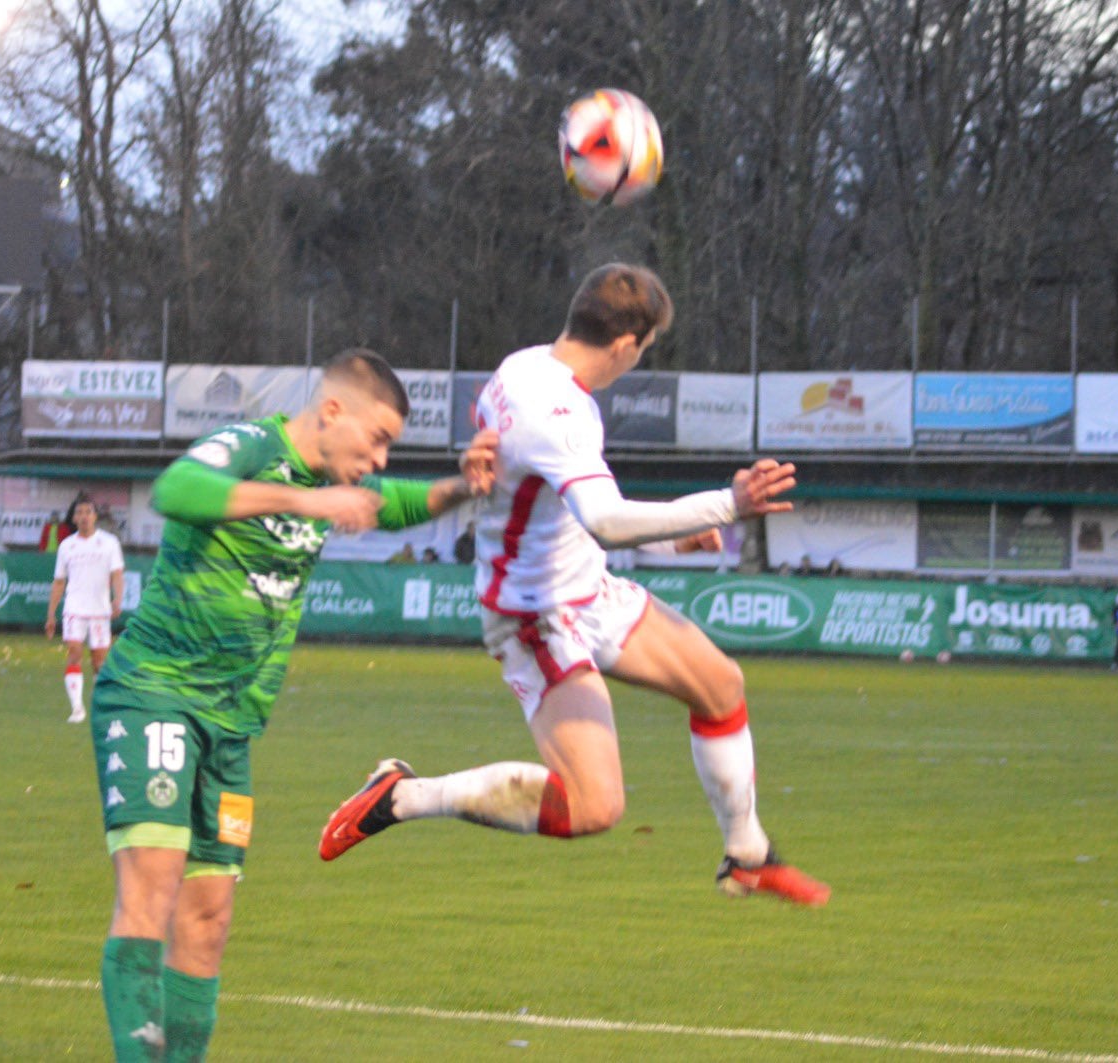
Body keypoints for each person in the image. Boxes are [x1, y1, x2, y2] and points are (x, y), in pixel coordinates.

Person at [320, 263, 829, 907]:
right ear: (624, 344)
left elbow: (551, 498)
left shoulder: (522, 367)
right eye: (644, 349)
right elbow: (608, 520)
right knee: (593, 806)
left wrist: (673, 538)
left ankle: (747, 855)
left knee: (720, 684)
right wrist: (727, 504)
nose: (638, 361)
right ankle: (403, 794)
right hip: (534, 611)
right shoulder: (560, 412)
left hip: (584, 585)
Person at [88, 348, 497, 1061]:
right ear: (332, 410)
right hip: (155, 690)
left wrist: (462, 484)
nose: (378, 459)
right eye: (377, 439)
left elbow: (398, 504)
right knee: (154, 882)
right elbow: (176, 488)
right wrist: (306, 500)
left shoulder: (331, 480)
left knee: (209, 917)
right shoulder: (254, 446)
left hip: (230, 724)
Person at [46, 495, 126, 723]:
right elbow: (59, 581)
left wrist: (117, 599)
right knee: (74, 654)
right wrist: (51, 614)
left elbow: (117, 574)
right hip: (74, 609)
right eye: (79, 513)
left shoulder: (109, 543)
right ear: (74, 518)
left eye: (87, 512)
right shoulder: (66, 546)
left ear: (95, 516)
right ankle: (77, 708)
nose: (83, 517)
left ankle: (100, 702)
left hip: (100, 611)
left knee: (99, 661)